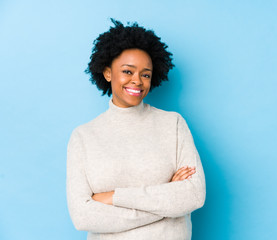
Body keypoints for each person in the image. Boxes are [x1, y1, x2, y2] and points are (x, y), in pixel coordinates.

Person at [66, 19, 206, 240]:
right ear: (108, 72)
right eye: (127, 71)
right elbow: (82, 217)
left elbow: (194, 195)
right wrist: (164, 206)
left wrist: (113, 197)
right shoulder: (83, 137)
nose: (137, 81)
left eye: (146, 74)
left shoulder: (173, 124)